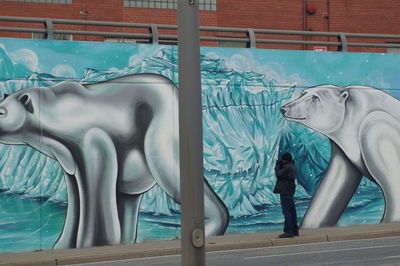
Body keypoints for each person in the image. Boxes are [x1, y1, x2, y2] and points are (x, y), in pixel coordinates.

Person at [273, 152, 299, 238]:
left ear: (285, 160)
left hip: (285, 191)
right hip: (290, 191)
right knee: (292, 212)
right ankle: (294, 230)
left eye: (282, 159)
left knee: (287, 212)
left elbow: (278, 174)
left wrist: (277, 166)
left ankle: (288, 231)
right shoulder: (292, 166)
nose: (281, 161)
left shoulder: (287, 168)